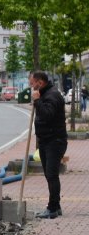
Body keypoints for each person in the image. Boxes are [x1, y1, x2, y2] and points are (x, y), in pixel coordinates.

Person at [29, 71, 68, 219]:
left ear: (40, 82)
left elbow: (48, 115)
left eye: (33, 83)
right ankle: (56, 207)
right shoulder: (45, 93)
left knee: (52, 175)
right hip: (46, 141)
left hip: (54, 141)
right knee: (49, 175)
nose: (31, 87)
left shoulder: (52, 95)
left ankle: (52, 208)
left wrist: (38, 101)